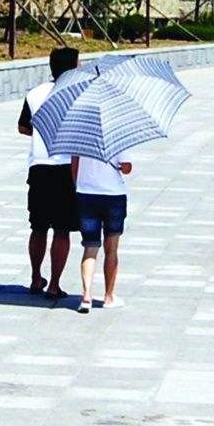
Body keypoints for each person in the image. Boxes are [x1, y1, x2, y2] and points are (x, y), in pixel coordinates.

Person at [17, 44, 83, 298]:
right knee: (62, 229)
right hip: (65, 167)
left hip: (39, 166)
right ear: (72, 67)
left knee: (38, 226)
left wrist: (42, 133)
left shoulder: (35, 93)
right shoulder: (78, 94)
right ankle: (54, 284)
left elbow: (23, 127)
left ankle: (35, 278)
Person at [71, 132, 134, 312]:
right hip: (113, 195)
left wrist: (79, 186)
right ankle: (108, 296)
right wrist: (122, 168)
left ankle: (86, 297)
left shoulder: (80, 134)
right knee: (111, 249)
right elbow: (127, 167)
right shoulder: (119, 134)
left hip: (86, 194)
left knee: (90, 248)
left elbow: (74, 166)